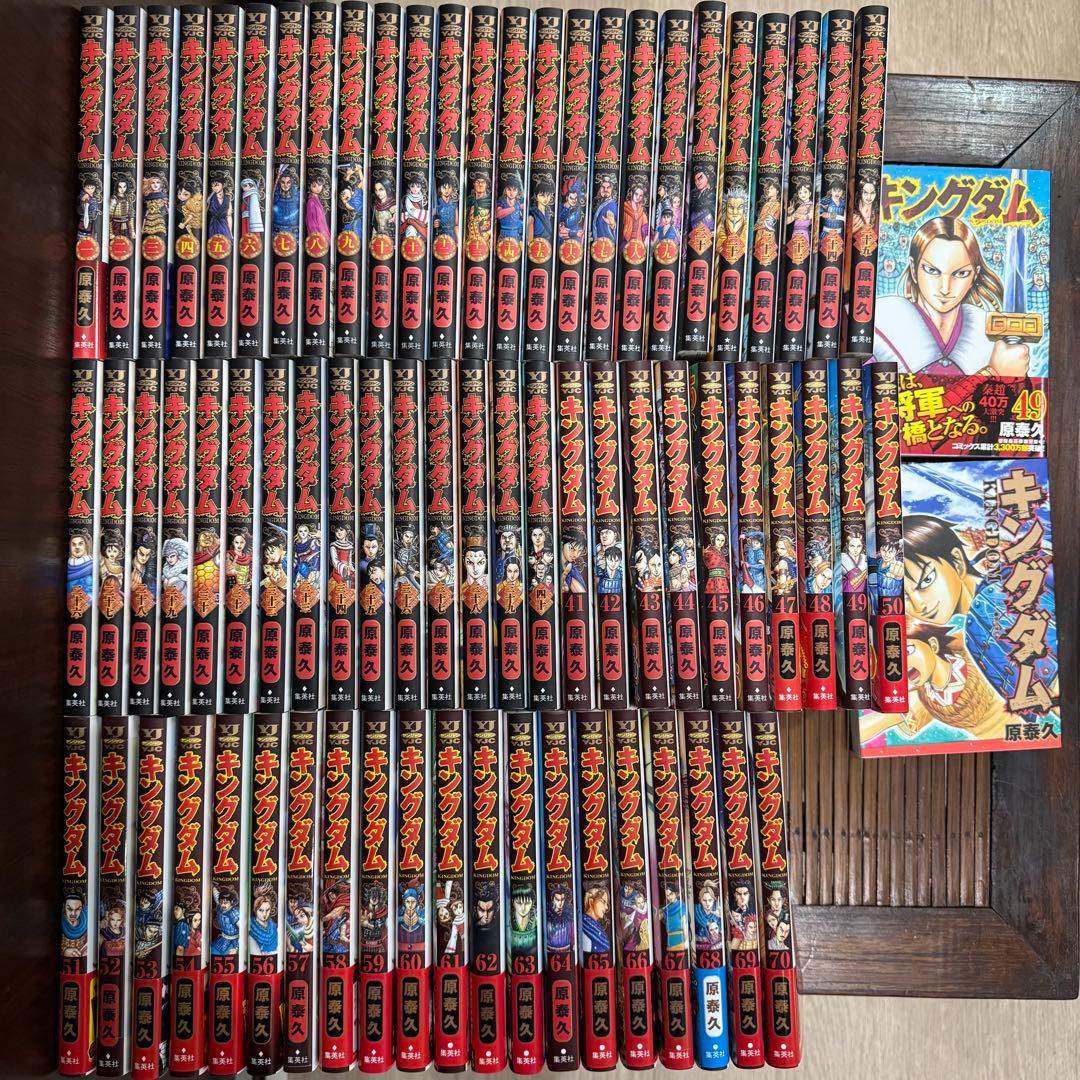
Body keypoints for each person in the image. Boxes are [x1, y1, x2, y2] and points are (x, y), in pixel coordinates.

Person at [873, 216, 1029, 376]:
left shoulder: (985, 329)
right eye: (932, 270)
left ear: (974, 275)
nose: (945, 288)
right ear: (913, 268)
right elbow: (866, 389)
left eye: (961, 273)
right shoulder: (882, 321)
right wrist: (992, 373)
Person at [249, 887, 278, 955]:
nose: (264, 914)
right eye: (261, 910)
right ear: (255, 910)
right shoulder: (250, 927)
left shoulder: (274, 925)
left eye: (267, 910)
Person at [211, 887, 240, 955]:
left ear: (231, 902)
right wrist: (212, 887)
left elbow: (243, 930)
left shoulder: (234, 913)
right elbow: (216, 895)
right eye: (221, 902)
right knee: (214, 952)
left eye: (226, 903)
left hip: (235, 941)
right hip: (223, 938)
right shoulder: (220, 907)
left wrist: (237, 948)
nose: (223, 905)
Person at [581, 886, 610, 953]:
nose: (606, 907)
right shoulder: (583, 925)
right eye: (603, 902)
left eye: (607, 904)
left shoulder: (598, 928)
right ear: (591, 902)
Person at [545, 884, 574, 952]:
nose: (560, 903)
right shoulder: (547, 914)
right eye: (557, 900)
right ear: (553, 899)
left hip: (568, 950)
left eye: (562, 900)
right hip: (549, 951)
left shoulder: (570, 914)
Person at [509, 886, 537, 954]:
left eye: (527, 903)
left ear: (533, 902)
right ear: (513, 902)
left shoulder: (536, 920)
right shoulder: (508, 921)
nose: (523, 908)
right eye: (519, 903)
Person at [207, 175, 233, 244]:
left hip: (224, 225)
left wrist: (230, 231)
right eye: (212, 186)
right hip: (214, 225)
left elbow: (229, 216)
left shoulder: (227, 198)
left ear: (223, 185)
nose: (214, 188)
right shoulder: (210, 199)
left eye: (216, 185)